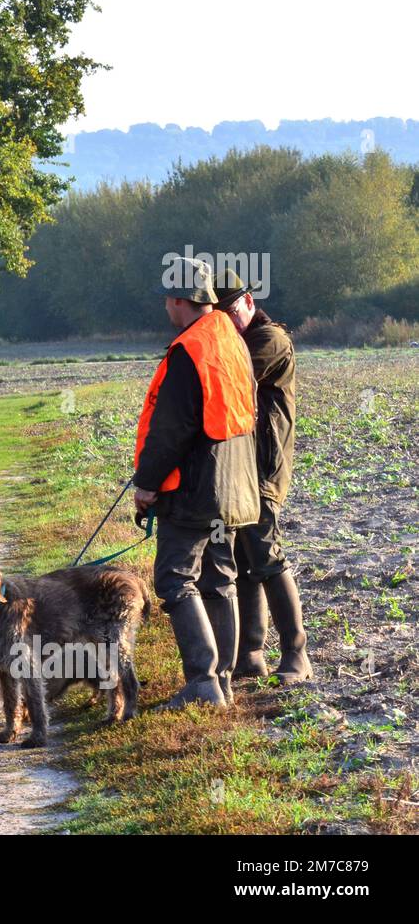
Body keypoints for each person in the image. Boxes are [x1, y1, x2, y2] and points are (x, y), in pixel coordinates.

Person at [133, 258, 260, 708]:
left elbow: (171, 430)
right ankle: (221, 681)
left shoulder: (189, 349)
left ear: (180, 300)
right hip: (235, 488)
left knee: (174, 580)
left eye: (168, 298)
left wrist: (146, 485)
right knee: (219, 579)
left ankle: (203, 683)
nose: (166, 306)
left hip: (195, 491)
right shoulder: (231, 339)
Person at [215, 271, 312, 684]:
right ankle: (250, 655)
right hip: (240, 468)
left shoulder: (269, 340)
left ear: (249, 302)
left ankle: (297, 655)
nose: (229, 319)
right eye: (220, 313)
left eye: (233, 310)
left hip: (265, 469)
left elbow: (228, 379)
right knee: (243, 559)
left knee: (267, 557)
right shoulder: (233, 338)